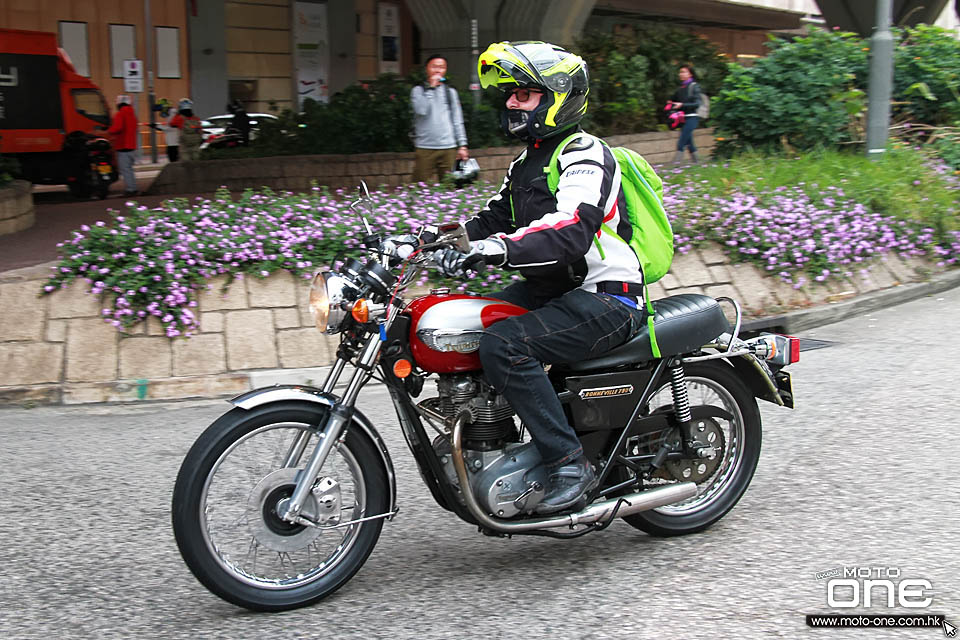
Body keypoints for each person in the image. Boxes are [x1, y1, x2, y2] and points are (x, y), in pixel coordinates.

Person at [389, 42, 647, 514]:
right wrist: (422, 241)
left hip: (606, 297)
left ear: (557, 97)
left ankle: (570, 462)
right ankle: (493, 440)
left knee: (505, 344)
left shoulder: (585, 153)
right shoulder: (529, 159)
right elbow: (492, 219)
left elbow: (571, 227)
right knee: (466, 328)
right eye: (510, 94)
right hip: (553, 291)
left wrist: (499, 250)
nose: (510, 102)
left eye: (524, 94)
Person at [410, 54, 469, 183]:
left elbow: (457, 119)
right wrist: (430, 88)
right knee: (418, 188)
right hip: (425, 146)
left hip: (448, 146)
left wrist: (462, 145)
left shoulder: (450, 92)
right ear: (427, 69)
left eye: (442, 67)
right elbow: (421, 110)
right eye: (434, 67)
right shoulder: (418, 91)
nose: (438, 70)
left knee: (451, 188)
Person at [669, 64, 702, 164]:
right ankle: (697, 163)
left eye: (684, 72)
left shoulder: (694, 87)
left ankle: (675, 165)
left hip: (692, 118)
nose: (681, 74)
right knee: (689, 143)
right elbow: (673, 100)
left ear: (690, 74)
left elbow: (697, 103)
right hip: (682, 118)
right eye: (680, 72)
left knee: (681, 142)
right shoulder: (680, 89)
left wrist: (682, 105)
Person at [107, 95, 139, 196]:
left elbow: (117, 128)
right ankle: (133, 187)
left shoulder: (120, 114)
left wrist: (109, 131)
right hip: (132, 146)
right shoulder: (132, 114)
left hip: (123, 146)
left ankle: (131, 189)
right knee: (129, 169)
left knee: (125, 169)